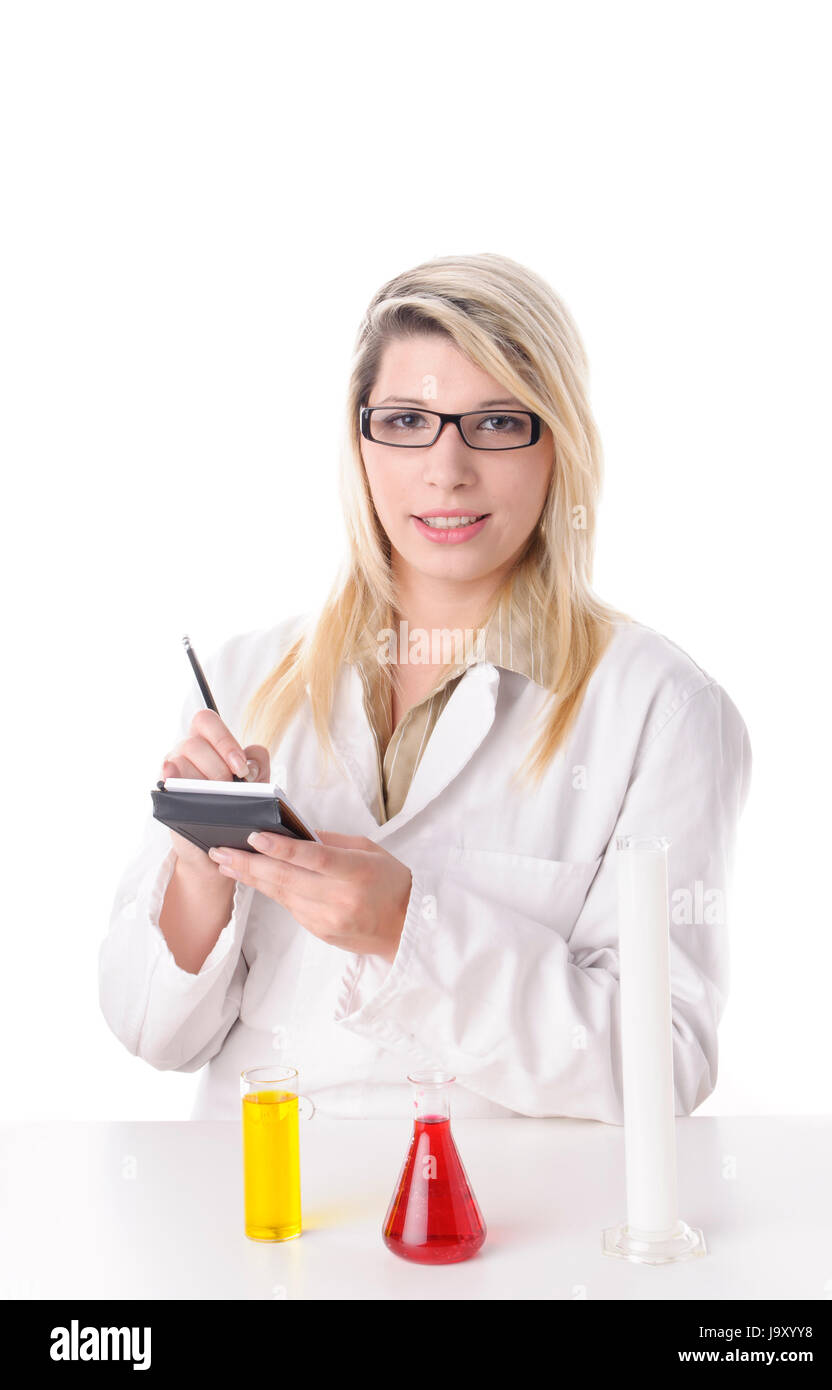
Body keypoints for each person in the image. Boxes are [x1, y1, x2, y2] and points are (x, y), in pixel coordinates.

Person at [99, 251, 752, 1122]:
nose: (446, 470)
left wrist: (408, 930)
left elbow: (661, 1064)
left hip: (499, 1229)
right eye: (406, 420)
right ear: (360, 439)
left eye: (494, 423)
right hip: (264, 1219)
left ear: (556, 442)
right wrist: (198, 870)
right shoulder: (251, 677)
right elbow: (152, 1033)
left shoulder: (660, 709)